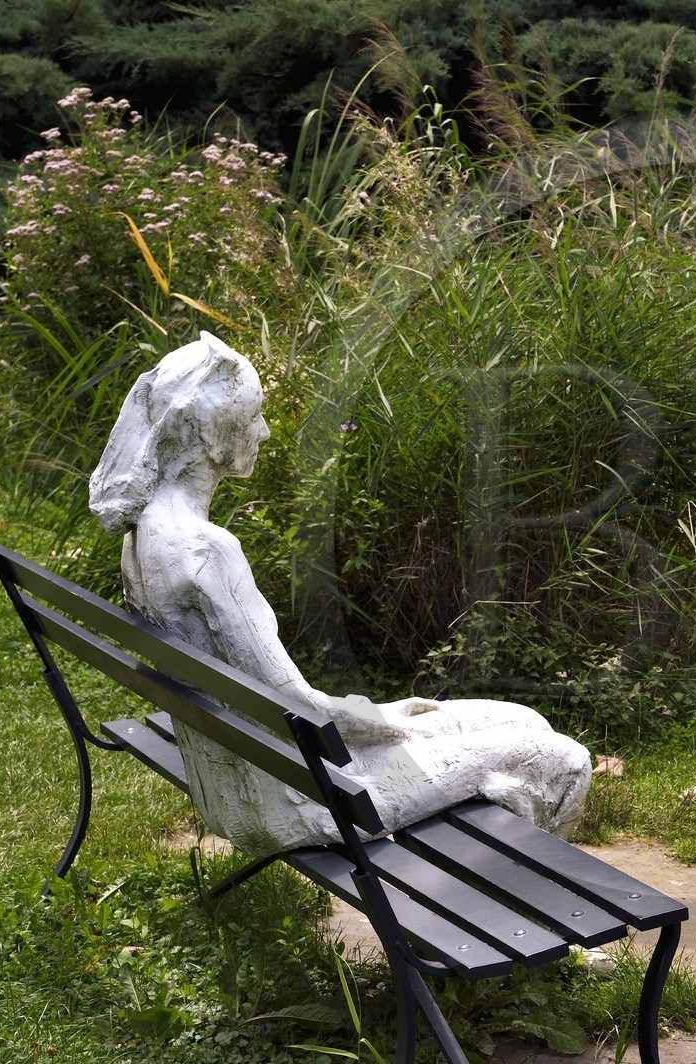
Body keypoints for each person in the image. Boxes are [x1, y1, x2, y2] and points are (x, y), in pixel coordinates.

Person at [89, 332, 591, 856]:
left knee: (513, 718)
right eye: (253, 417)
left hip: (243, 783)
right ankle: (519, 918)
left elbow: (281, 700)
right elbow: (299, 705)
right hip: (307, 800)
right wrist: (389, 722)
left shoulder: (143, 535)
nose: (261, 431)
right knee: (556, 755)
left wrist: (385, 717)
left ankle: (482, 869)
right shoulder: (207, 550)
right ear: (214, 435)